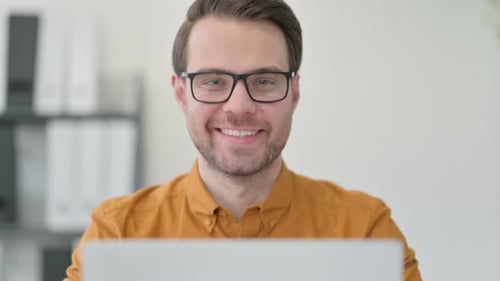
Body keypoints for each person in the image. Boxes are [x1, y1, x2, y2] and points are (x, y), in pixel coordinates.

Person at [64, 0, 422, 280]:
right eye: (213, 81)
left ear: (293, 94)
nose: (239, 106)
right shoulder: (118, 233)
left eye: (264, 81)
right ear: (181, 93)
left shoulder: (363, 232)